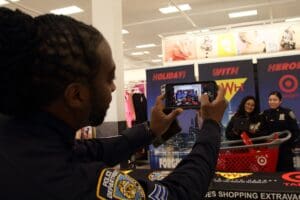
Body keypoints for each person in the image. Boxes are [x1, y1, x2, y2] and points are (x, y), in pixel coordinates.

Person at [0, 8, 227, 200]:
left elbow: (92, 151)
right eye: (109, 78)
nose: (114, 88)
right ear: (76, 95)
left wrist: (151, 129)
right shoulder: (76, 183)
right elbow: (177, 194)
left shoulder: (25, 138)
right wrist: (211, 124)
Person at [260, 91, 300, 171]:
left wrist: (293, 145)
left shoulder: (287, 112)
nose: (272, 102)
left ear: (280, 101)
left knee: (286, 171)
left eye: (275, 100)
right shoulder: (265, 113)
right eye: (270, 100)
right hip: (270, 148)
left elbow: (295, 131)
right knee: (271, 169)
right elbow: (262, 130)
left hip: (285, 148)